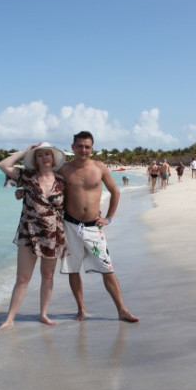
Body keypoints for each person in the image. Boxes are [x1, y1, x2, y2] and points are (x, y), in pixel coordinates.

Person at [59, 131, 139, 323]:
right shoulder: (64, 169)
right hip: (70, 226)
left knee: (107, 268)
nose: (83, 149)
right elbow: (46, 186)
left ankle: (122, 309)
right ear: (73, 147)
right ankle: (81, 309)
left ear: (92, 149)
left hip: (93, 228)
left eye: (87, 146)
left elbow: (115, 192)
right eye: (80, 146)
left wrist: (109, 218)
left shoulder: (99, 167)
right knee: (72, 269)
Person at [0, 142, 67, 329]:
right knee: (22, 278)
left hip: (53, 234)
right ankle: (10, 318)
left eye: (47, 154)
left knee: (48, 275)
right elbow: (3, 165)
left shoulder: (62, 180)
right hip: (29, 233)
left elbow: (72, 203)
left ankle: (43, 314)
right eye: (39, 155)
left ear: (53, 158)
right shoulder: (27, 177)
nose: (44, 158)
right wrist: (25, 151)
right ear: (35, 160)